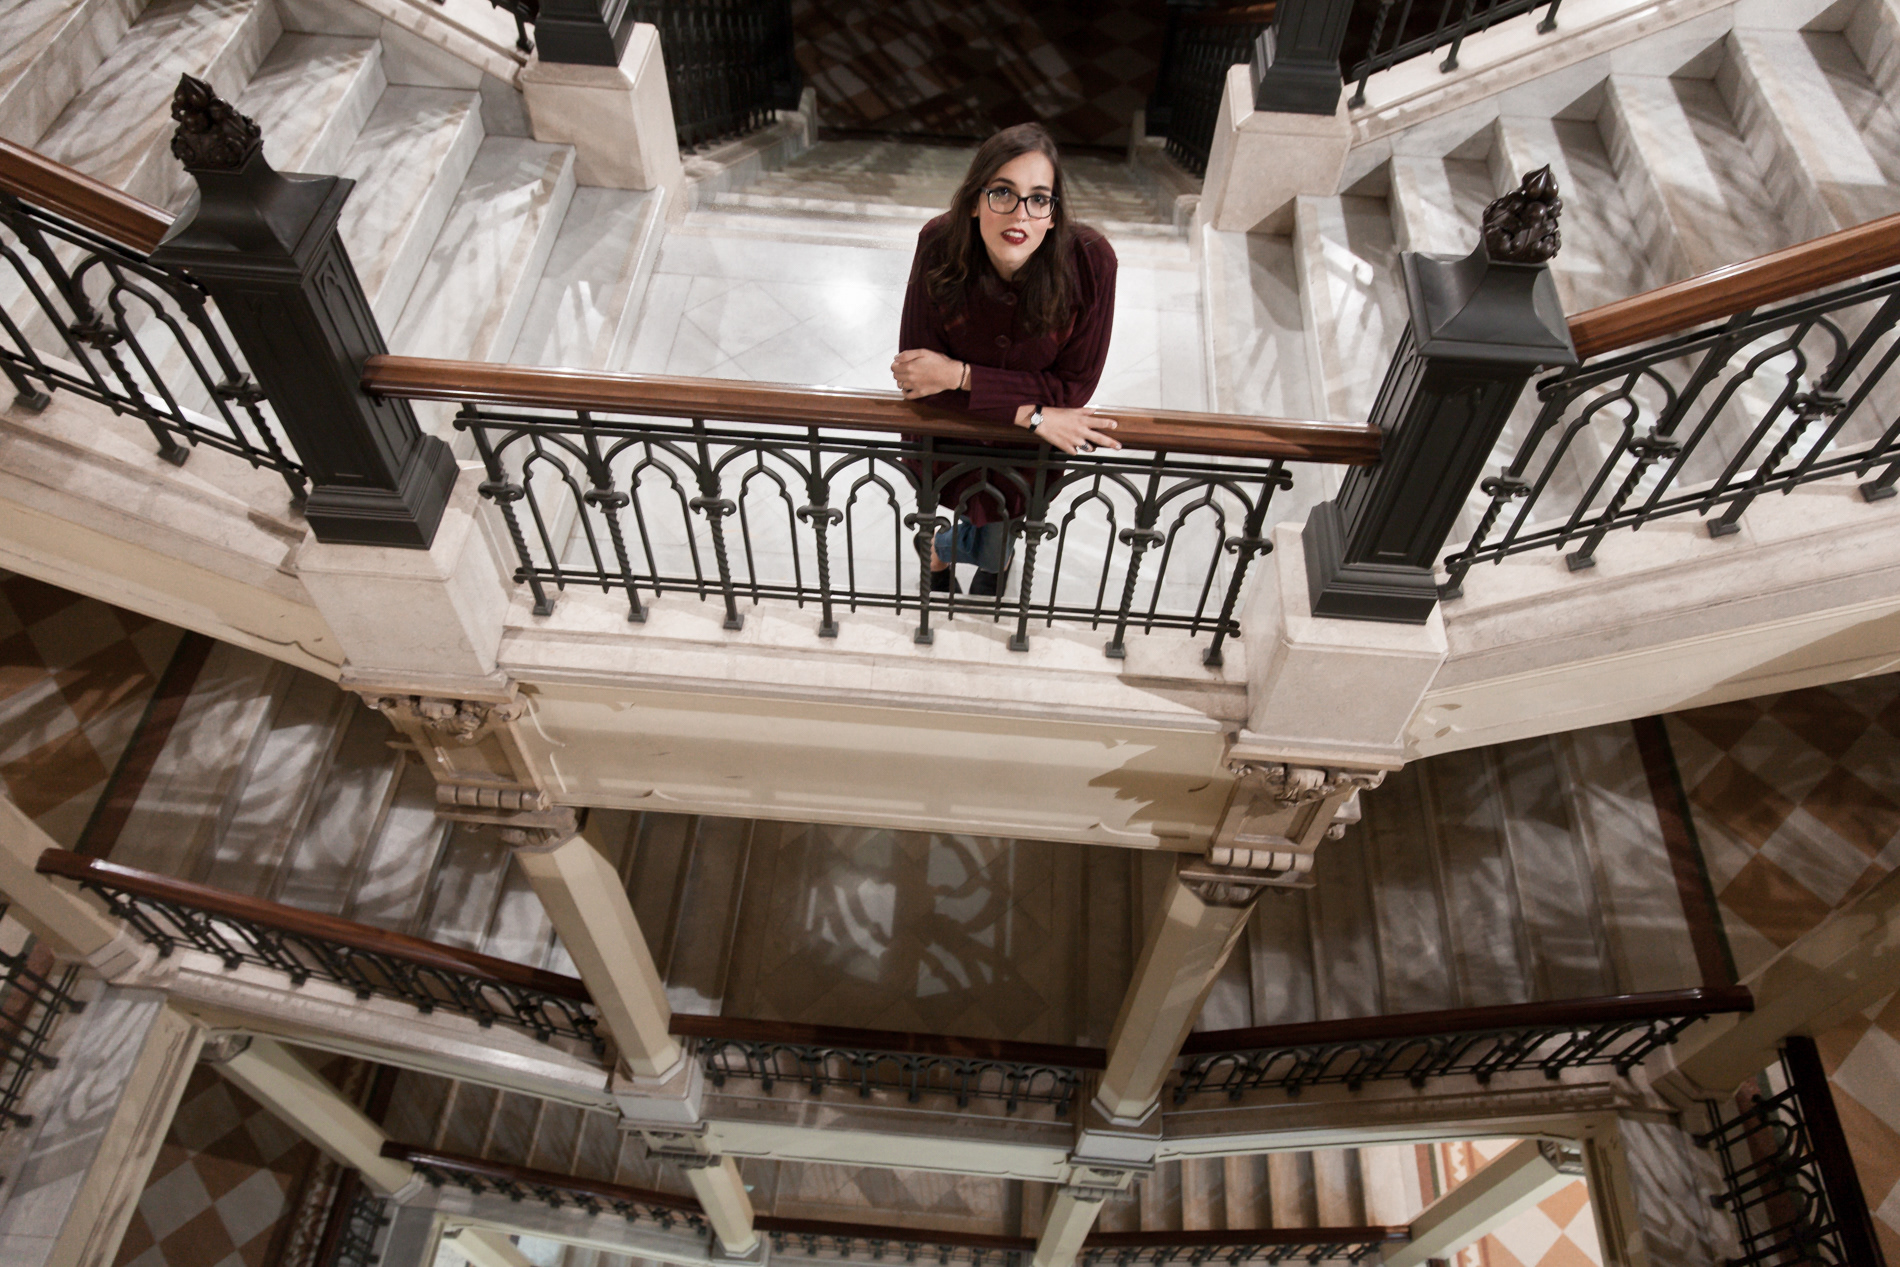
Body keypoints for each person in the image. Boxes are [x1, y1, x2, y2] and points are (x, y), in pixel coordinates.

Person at [890, 122, 1122, 597]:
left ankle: (941, 549)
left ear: (1054, 214)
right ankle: (940, 551)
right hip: (951, 442)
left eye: (1039, 198)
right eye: (1002, 193)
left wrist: (958, 375)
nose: (1020, 214)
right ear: (975, 201)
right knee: (966, 515)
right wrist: (1033, 413)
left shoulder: (1092, 262)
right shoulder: (938, 244)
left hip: (1024, 455)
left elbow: (1073, 388)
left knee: (997, 544)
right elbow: (917, 380)